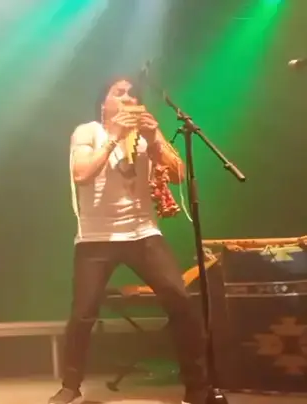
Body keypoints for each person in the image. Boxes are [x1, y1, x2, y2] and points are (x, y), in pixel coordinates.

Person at [48, 78, 209, 404]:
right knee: (83, 314)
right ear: (103, 103)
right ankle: (70, 385)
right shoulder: (88, 132)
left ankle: (198, 387)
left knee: (180, 300)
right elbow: (81, 174)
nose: (128, 98)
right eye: (119, 93)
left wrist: (155, 138)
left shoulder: (147, 135)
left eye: (132, 94)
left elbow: (178, 174)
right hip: (96, 238)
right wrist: (114, 138)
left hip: (142, 233)